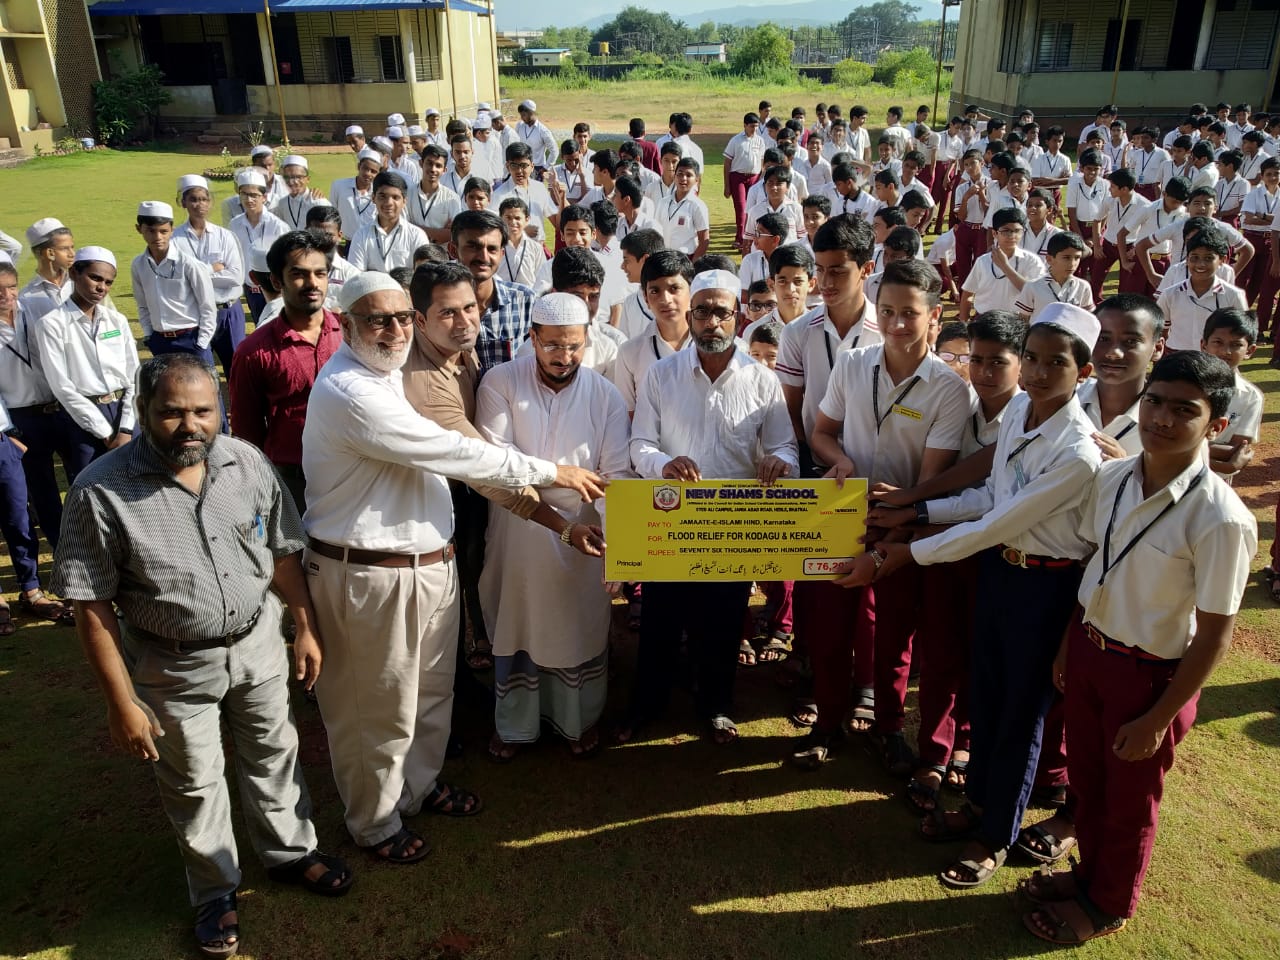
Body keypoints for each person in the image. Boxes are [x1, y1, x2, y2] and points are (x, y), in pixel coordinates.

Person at [52, 353, 353, 959]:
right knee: (194, 781)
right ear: (142, 411)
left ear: (220, 410)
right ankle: (215, 891)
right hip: (172, 663)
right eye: (171, 413)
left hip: (258, 640)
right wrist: (121, 703)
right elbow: (91, 604)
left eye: (203, 411)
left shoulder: (245, 460)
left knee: (275, 751)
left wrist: (304, 624)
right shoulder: (99, 489)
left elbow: (283, 547)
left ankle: (291, 853)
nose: (190, 426)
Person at [305, 268, 606, 854]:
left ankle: (417, 788)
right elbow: (456, 452)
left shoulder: (389, 374)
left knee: (429, 696)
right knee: (377, 707)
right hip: (369, 571)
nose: (392, 330)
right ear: (345, 325)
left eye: (398, 318)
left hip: (427, 565)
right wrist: (552, 474)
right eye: (376, 319)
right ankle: (375, 823)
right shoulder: (353, 391)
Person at [849, 302, 1104, 890]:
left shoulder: (1078, 454)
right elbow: (988, 495)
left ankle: (997, 837)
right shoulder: (1021, 411)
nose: (1038, 373)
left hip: (1044, 585)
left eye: (1054, 363)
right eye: (1033, 359)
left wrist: (905, 550)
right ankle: (981, 807)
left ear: (1082, 372)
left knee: (1020, 714)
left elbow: (997, 522)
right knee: (986, 697)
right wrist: (913, 507)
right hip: (1001, 575)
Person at [1022, 351, 1256, 945]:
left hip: (1152, 677)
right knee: (1089, 786)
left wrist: (1157, 717)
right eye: (1154, 401)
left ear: (1216, 425)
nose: (1161, 419)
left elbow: (1216, 632)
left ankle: (1107, 903)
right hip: (1094, 651)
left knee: (1130, 801)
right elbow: (1097, 566)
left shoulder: (1220, 517)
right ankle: (1087, 877)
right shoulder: (1116, 478)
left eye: (1185, 410)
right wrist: (1071, 644)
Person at [800, 260, 969, 771]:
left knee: (894, 635)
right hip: (840, 516)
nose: (897, 323)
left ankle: (889, 727)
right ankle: (827, 721)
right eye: (888, 311)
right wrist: (841, 460)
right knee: (831, 630)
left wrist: (895, 518)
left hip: (902, 527)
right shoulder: (852, 365)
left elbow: (928, 480)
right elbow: (821, 433)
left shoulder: (948, 388)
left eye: (910, 313)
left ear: (935, 315)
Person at [620, 269, 799, 746]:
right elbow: (639, 445)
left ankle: (716, 704)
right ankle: (648, 704)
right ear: (691, 314)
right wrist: (663, 464)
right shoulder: (662, 375)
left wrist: (778, 463)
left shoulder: (762, 380)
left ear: (737, 315)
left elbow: (785, 447)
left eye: (722, 312)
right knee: (661, 617)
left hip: (731, 523)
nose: (712, 322)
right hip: (671, 519)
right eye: (703, 311)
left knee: (723, 619)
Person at [477, 293, 629, 759]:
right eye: (553, 347)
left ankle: (576, 721)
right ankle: (514, 725)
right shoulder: (500, 382)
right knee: (516, 623)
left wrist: (620, 551)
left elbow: (617, 476)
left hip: (586, 532)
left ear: (588, 341)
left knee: (579, 624)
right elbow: (494, 463)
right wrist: (555, 474)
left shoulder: (605, 395)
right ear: (533, 339)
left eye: (575, 346)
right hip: (517, 527)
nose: (564, 358)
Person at [229, 230, 342, 512]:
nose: (312, 283)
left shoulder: (351, 334)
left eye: (320, 273)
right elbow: (247, 434)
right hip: (291, 480)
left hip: (353, 472)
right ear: (277, 280)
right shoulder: (253, 351)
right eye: (299, 274)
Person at [31, 246, 138, 474]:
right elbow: (62, 386)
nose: (102, 287)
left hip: (125, 413)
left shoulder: (116, 321)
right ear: (74, 273)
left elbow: (135, 377)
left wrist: (126, 429)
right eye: (95, 278)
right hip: (83, 419)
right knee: (93, 490)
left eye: (108, 282)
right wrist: (106, 433)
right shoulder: (52, 325)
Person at [131, 201, 217, 367]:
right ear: (139, 229)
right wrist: (149, 336)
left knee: (204, 392)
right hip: (160, 341)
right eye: (151, 231)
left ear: (172, 229)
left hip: (191, 338)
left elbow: (207, 306)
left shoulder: (189, 264)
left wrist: (201, 344)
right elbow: (142, 305)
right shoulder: (138, 265)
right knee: (167, 392)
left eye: (163, 231)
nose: (158, 237)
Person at [611, 249, 694, 415]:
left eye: (674, 288)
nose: (665, 300)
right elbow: (629, 414)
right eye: (655, 291)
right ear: (646, 298)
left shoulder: (713, 347)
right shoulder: (630, 353)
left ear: (692, 291)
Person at [1155, 228, 1247, 352]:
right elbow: (1161, 328)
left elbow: (1242, 332)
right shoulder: (1170, 294)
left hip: (1214, 358)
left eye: (1208, 258)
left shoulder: (1233, 295)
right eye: (1194, 258)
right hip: (1177, 357)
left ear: (1222, 261)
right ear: (1187, 260)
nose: (1201, 264)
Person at [1201, 308, 1262, 479]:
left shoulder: (1250, 397)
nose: (1225, 351)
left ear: (1250, 350)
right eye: (1218, 342)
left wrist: (1182, 451)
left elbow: (1236, 451)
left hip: (1215, 481)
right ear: (1203, 344)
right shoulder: (1182, 383)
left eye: (1236, 345)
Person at [958, 207, 1046, 322]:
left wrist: (1005, 266)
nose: (1012, 236)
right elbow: (968, 293)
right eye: (1006, 231)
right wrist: (964, 324)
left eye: (1017, 231)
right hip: (985, 321)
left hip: (1016, 321)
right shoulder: (983, 261)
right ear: (994, 233)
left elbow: (1035, 294)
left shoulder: (1031, 261)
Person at [347, 171, 429, 273]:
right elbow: (355, 277)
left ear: (404, 202)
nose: (389, 203)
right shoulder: (361, 236)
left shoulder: (417, 235)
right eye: (382, 196)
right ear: (373, 198)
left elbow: (423, 276)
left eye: (395, 197)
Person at [1014, 232, 1093, 321]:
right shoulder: (1033, 287)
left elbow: (1087, 319)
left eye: (1077, 258)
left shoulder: (1083, 286)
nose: (1072, 264)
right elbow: (1023, 320)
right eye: (1066, 258)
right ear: (1049, 259)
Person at [724, 113, 767, 248]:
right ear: (745, 125)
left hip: (754, 178)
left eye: (756, 126)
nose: (754, 129)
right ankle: (740, 238)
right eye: (751, 126)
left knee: (753, 208)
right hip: (738, 177)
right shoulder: (736, 140)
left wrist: (761, 179)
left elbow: (762, 162)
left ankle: (751, 237)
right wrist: (727, 185)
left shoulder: (760, 140)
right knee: (741, 208)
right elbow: (727, 162)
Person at [19, 217, 76, 319]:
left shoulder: (82, 283)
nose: (72, 254)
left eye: (72, 247)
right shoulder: (25, 298)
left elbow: (110, 327)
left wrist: (106, 335)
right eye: (64, 248)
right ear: (49, 253)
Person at [406, 144, 461, 244]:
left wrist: (412, 227)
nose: (433, 169)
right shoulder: (407, 195)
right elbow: (402, 229)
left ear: (444, 170)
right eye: (429, 163)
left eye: (438, 166)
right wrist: (439, 233)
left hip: (440, 255)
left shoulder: (452, 198)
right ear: (421, 163)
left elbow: (454, 234)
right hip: (411, 254)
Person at [656, 157, 710, 259]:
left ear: (696, 180)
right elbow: (655, 232)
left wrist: (692, 265)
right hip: (662, 257)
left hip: (685, 258)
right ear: (674, 176)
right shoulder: (663, 202)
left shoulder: (697, 206)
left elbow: (704, 241)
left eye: (688, 175)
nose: (683, 178)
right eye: (680, 174)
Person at [329, 148, 381, 246]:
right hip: (345, 242)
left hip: (370, 242)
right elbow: (331, 213)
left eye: (373, 171)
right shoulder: (339, 185)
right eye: (365, 168)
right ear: (358, 167)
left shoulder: (379, 191)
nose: (368, 174)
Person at [496, 197, 545, 288]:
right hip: (501, 297)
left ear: (527, 220)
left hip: (528, 298)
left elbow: (542, 278)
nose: (513, 222)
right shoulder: (494, 246)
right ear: (500, 219)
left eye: (517, 218)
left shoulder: (536, 247)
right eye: (508, 218)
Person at [515, 99, 557, 173]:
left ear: (531, 113)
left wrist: (546, 167)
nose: (521, 118)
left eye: (524, 115)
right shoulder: (520, 126)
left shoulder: (543, 131)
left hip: (537, 168)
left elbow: (554, 150)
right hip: (521, 166)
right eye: (521, 115)